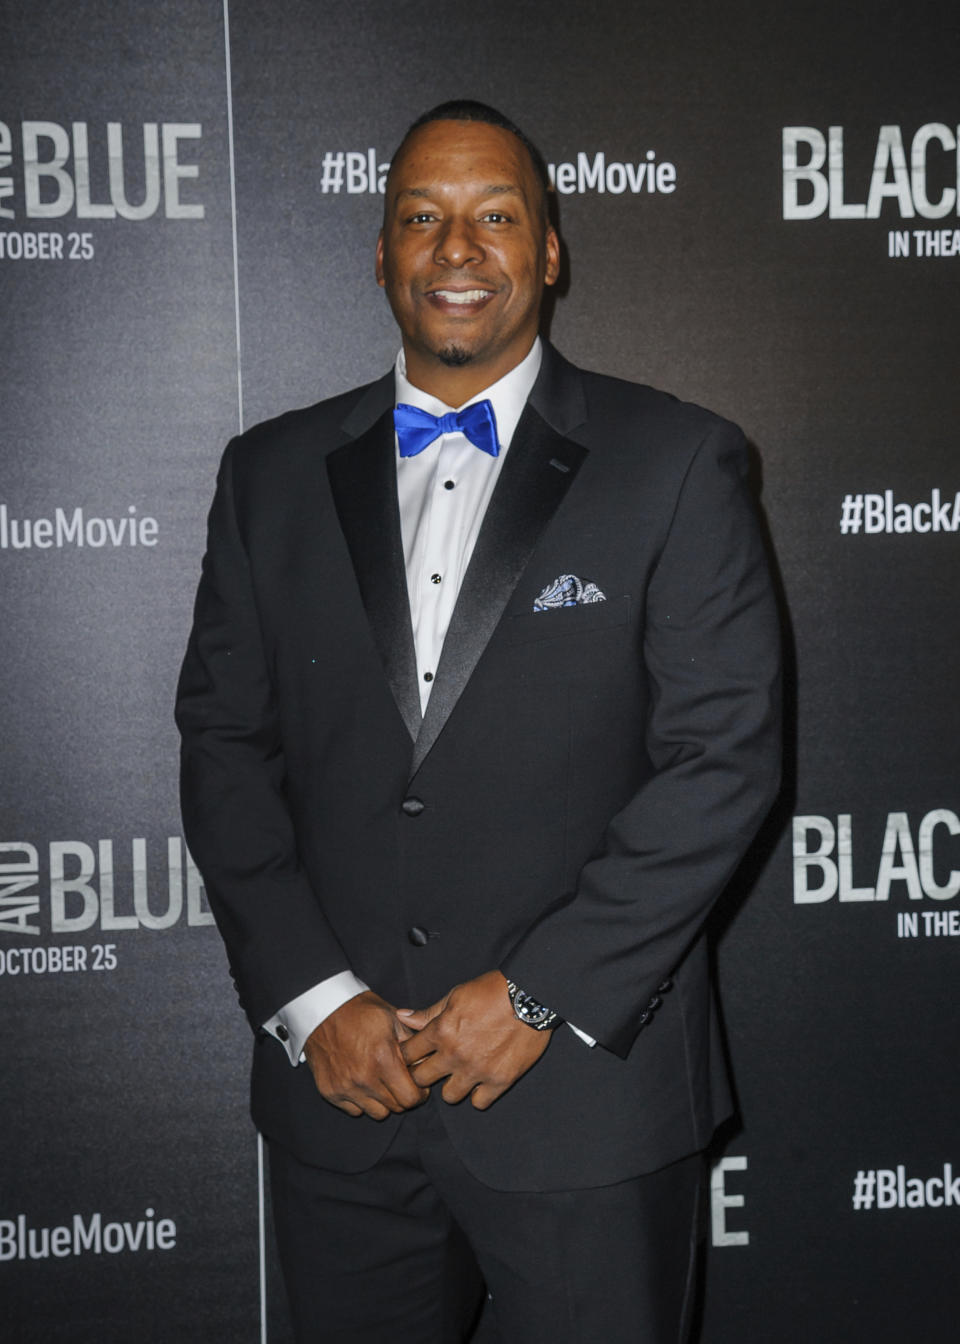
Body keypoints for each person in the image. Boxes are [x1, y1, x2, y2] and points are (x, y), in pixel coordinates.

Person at [176, 99, 781, 1343]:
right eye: (422, 218)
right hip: (344, 1102)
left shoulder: (678, 462)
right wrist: (309, 999)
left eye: (495, 216)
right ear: (382, 250)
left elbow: (722, 761)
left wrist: (541, 994)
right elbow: (226, 750)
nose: (458, 248)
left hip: (586, 1108)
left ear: (548, 249)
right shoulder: (267, 476)